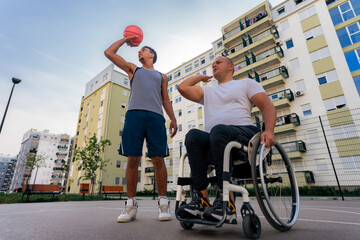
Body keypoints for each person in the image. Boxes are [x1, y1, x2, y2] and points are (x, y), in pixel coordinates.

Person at [176, 56, 276, 223]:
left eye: (218, 62)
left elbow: (267, 106)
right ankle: (201, 200)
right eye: (213, 63)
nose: (214, 64)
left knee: (219, 130)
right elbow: (182, 87)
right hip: (214, 139)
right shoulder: (208, 92)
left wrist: (269, 130)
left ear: (231, 66)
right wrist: (201, 78)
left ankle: (227, 202)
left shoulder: (245, 83)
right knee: (193, 136)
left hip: (243, 134)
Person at [104, 35, 177, 223]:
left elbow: (165, 99)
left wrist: (173, 119)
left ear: (151, 54)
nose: (139, 52)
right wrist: (125, 39)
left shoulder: (162, 76)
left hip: (155, 117)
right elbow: (109, 53)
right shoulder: (133, 69)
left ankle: (163, 203)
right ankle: (130, 205)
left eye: (143, 50)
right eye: (139, 50)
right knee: (133, 158)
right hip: (134, 115)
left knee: (158, 158)